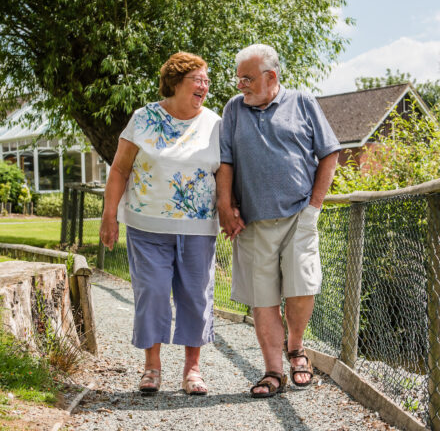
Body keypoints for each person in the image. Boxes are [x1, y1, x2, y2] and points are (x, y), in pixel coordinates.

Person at [217, 44, 340, 398]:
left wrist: (314, 208)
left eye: (248, 78)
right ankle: (272, 371)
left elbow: (330, 153)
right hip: (253, 221)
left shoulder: (302, 102)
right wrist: (226, 206)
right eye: (238, 77)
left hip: (298, 214)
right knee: (262, 298)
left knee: (302, 285)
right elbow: (225, 161)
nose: (241, 84)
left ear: (271, 76)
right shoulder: (234, 109)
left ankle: (296, 349)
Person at [100, 52, 221, 395]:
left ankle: (192, 369)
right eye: (198, 79)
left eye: (207, 80)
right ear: (176, 81)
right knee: (151, 292)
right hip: (147, 225)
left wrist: (227, 207)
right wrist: (110, 216)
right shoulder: (143, 118)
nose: (205, 85)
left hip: (197, 227)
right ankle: (151, 367)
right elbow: (120, 168)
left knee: (196, 295)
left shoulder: (215, 123)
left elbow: (223, 170)